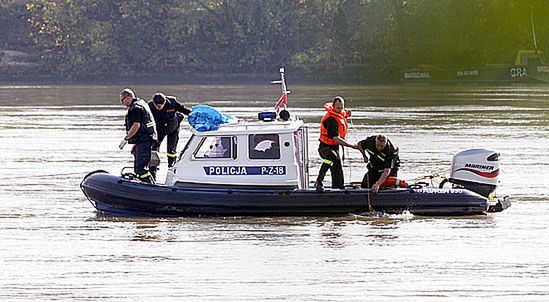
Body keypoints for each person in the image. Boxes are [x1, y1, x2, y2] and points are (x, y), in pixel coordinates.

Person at [315, 96, 358, 192]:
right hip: (325, 147)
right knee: (331, 158)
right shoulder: (331, 120)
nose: (340, 110)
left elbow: (341, 115)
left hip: (335, 147)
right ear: (333, 107)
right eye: (338, 108)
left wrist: (346, 114)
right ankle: (319, 181)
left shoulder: (339, 113)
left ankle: (338, 187)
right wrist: (351, 146)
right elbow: (336, 139)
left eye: (341, 108)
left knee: (338, 167)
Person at [147, 92, 191, 179]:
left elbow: (185, 110)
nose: (158, 108)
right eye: (157, 106)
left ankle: (171, 169)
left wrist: (196, 115)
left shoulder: (172, 103)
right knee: (153, 150)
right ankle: (152, 172)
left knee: (171, 151)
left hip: (173, 129)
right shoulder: (149, 106)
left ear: (165, 102)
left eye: (160, 106)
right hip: (158, 131)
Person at [118, 88, 157, 184]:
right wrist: (135, 144)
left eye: (122, 100)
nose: (122, 103)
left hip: (144, 140)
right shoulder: (141, 103)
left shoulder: (135, 108)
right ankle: (147, 184)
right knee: (139, 167)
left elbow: (136, 125)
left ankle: (150, 186)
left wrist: (126, 139)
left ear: (128, 97)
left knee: (140, 169)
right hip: (144, 140)